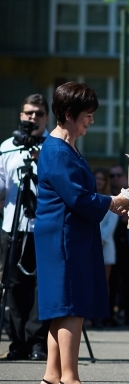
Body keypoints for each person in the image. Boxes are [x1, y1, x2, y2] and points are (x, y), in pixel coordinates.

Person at [34, 82, 128, 384]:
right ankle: (71, 378)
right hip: (64, 236)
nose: (91, 121)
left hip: (64, 234)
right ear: (70, 114)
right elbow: (77, 197)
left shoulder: (63, 146)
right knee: (71, 306)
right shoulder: (59, 150)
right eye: (88, 115)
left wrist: (108, 201)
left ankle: (52, 375)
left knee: (61, 307)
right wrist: (114, 201)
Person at [0, 94, 50, 361]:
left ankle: (38, 343)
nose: (33, 118)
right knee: (13, 286)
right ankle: (17, 342)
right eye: (29, 113)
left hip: (43, 227)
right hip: (13, 226)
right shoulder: (7, 147)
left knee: (43, 286)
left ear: (47, 118)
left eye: (39, 114)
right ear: (21, 116)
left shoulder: (54, 146)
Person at [94, 168, 119, 291]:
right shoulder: (88, 198)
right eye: (96, 178)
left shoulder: (112, 199)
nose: (98, 181)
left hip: (106, 245)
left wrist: (99, 239)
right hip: (91, 245)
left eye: (101, 179)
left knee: (104, 283)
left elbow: (111, 226)